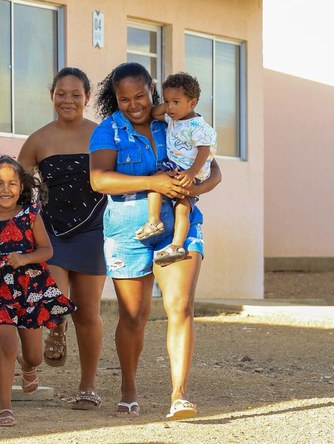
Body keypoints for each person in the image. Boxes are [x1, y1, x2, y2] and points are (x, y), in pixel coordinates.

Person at [88, 62, 222, 420]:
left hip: (180, 224)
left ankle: (179, 395)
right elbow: (99, 180)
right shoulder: (108, 131)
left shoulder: (177, 118)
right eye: (124, 99)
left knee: (180, 307)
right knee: (134, 316)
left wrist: (194, 187)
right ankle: (129, 389)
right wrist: (153, 183)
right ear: (115, 100)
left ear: (153, 90)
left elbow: (214, 169)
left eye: (140, 96)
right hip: (128, 232)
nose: (133, 105)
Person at [0, 156, 76, 427]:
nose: (5, 189)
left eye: (12, 183)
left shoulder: (30, 216)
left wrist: (24, 258)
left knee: (33, 355)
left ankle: (29, 366)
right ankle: (5, 408)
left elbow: (47, 250)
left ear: (21, 187)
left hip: (30, 288)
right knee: (7, 346)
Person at [17, 67, 107, 410]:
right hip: (52, 230)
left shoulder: (102, 135)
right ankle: (57, 326)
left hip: (95, 229)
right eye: (61, 93)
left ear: (86, 97)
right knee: (54, 300)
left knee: (89, 312)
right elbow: (18, 187)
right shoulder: (38, 139)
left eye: (75, 94)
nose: (67, 100)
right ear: (51, 95)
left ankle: (88, 386)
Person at [134, 72, 217, 266]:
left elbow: (204, 152)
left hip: (190, 171)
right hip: (176, 166)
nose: (170, 107)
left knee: (182, 207)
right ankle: (154, 222)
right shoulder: (173, 118)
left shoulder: (198, 126)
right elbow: (155, 113)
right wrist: (170, 104)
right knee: (156, 183)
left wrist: (191, 173)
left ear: (193, 103)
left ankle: (176, 244)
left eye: (176, 102)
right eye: (167, 101)